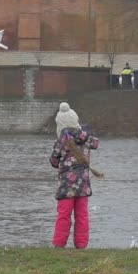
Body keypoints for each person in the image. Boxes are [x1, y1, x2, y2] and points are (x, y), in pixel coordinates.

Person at [49, 106, 99, 249]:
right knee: (82, 216)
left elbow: (53, 161)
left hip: (66, 186)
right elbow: (96, 143)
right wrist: (85, 132)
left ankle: (59, 245)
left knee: (64, 215)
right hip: (83, 185)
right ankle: (81, 246)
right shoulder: (86, 138)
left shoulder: (61, 141)